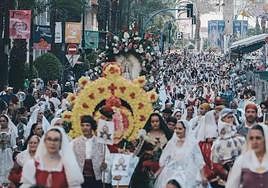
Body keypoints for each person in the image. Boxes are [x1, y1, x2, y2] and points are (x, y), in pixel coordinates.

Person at [154, 120, 205, 188]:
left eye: (180, 129)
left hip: (187, 174)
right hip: (170, 173)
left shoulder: (192, 144)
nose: (177, 131)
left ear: (185, 129)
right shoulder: (171, 143)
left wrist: (203, 176)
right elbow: (166, 160)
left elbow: (199, 161)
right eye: (176, 128)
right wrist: (157, 173)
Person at [211, 108, 246, 186]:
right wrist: (227, 175)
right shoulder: (218, 143)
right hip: (224, 177)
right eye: (228, 117)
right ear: (222, 119)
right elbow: (216, 163)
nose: (231, 119)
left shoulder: (240, 139)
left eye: (231, 117)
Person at [71, 115, 106, 188]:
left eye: (87, 125)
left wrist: (105, 165)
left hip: (96, 178)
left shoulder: (100, 142)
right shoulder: (74, 142)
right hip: (80, 178)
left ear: (92, 127)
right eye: (82, 125)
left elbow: (107, 159)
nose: (85, 128)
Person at [0, 114, 17, 186]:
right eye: (0, 121)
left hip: (8, 152)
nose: (2, 122)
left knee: (8, 168)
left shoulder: (11, 131)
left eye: (4, 121)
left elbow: (13, 144)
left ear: (7, 122)